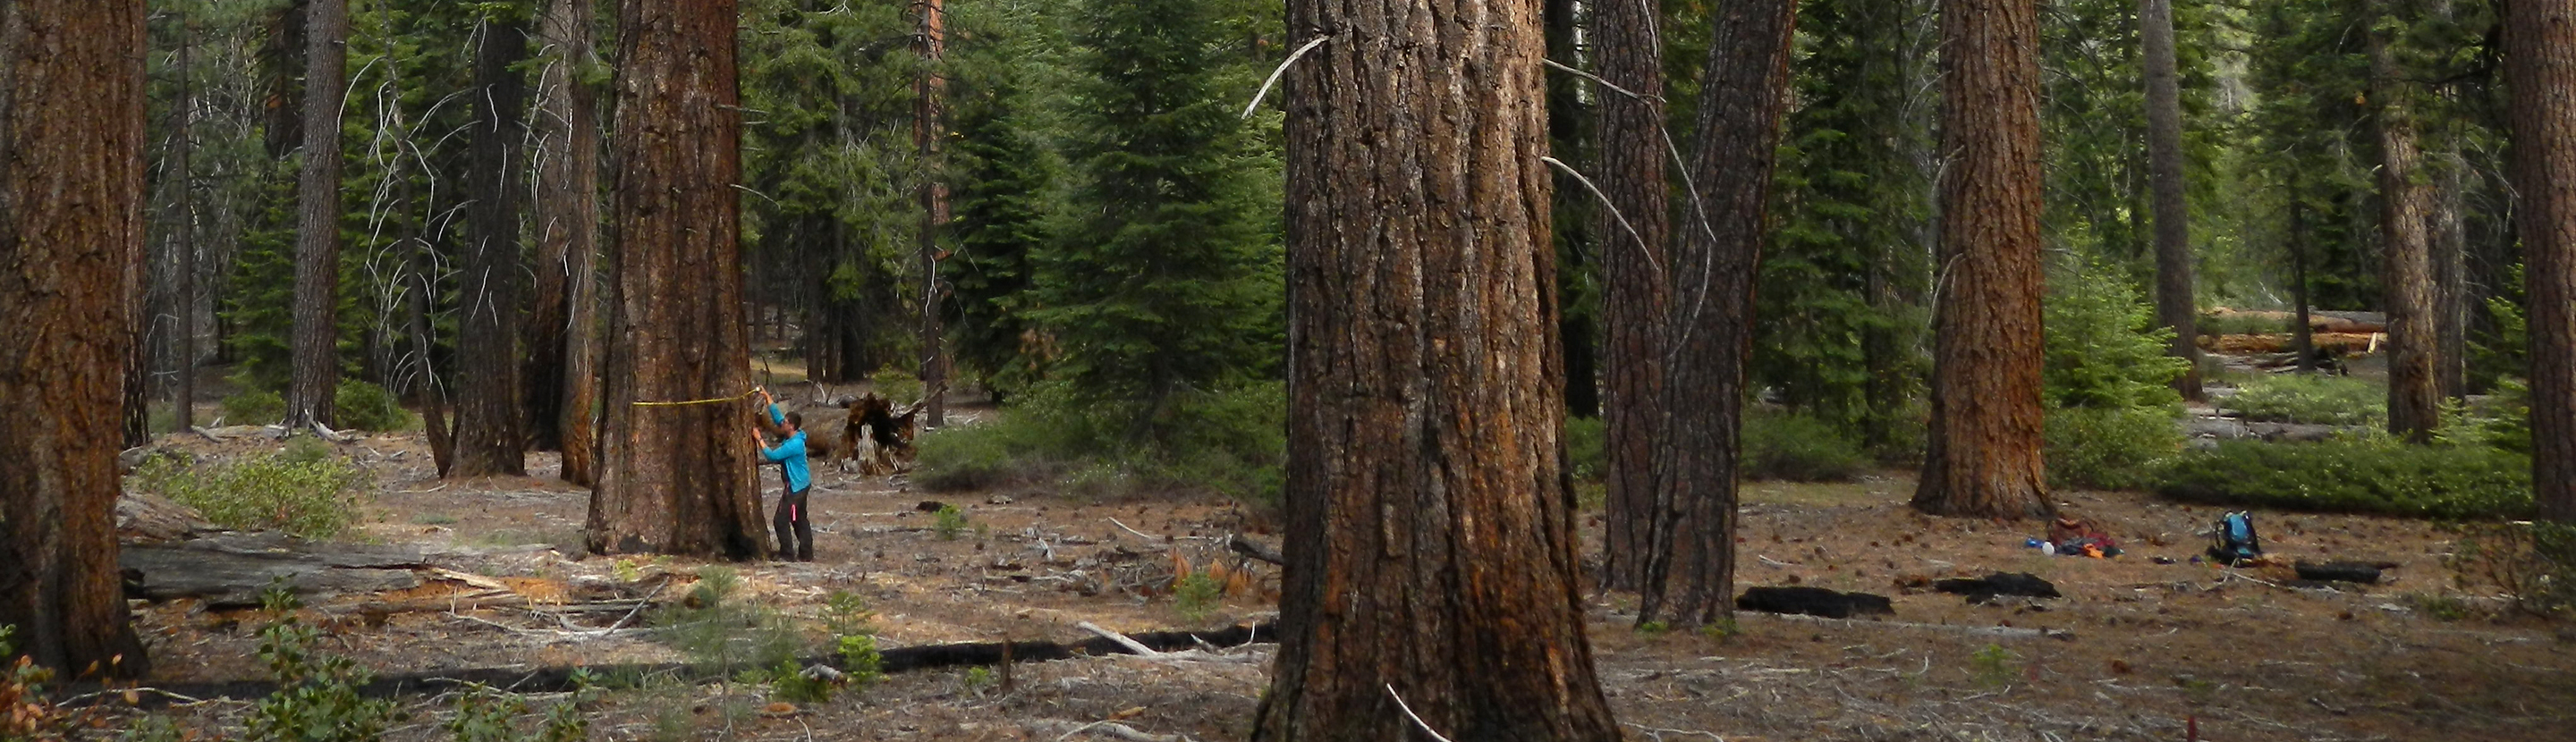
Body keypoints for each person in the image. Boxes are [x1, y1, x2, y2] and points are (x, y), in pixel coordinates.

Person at [751, 388, 814, 561]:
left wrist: (759, 438)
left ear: (791, 426)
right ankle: (806, 554)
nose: (782, 424)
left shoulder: (794, 445)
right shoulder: (797, 435)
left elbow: (772, 456)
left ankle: (787, 554)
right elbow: (778, 418)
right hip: (802, 484)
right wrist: (767, 397)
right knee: (799, 519)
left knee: (781, 520)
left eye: (786, 422)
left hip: (795, 489)